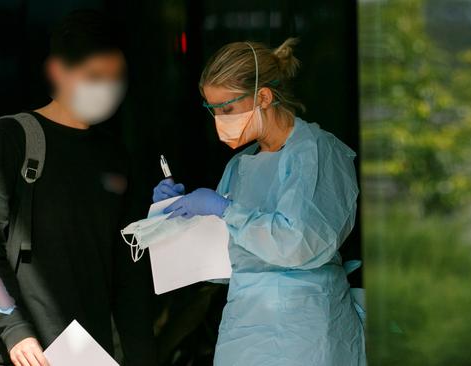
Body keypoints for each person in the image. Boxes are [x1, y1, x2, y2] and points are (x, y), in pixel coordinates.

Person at [0, 10, 155, 366]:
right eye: (95, 76)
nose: (107, 89)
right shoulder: (13, 138)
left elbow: (130, 272)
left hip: (93, 354)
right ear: (59, 71)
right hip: (27, 353)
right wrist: (15, 328)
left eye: (115, 78)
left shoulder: (115, 157)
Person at [153, 39, 366, 365]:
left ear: (263, 97)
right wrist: (174, 217)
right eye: (213, 110)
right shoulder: (240, 166)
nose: (219, 121)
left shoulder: (317, 152)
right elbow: (220, 266)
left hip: (305, 330)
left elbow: (300, 244)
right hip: (245, 331)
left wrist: (225, 210)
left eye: (227, 109)